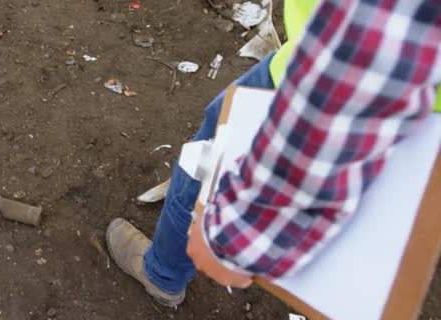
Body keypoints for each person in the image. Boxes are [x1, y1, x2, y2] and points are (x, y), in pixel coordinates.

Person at [106, 0, 441, 307]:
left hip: (328, 67)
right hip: (424, 117)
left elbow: (365, 66)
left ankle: (162, 273)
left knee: (207, 157)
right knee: (385, 242)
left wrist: (245, 237)